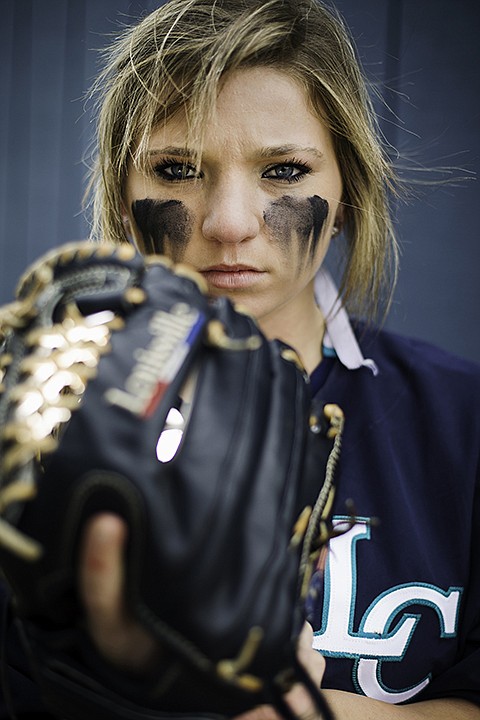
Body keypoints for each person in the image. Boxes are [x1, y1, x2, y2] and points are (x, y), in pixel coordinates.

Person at [1, 0, 479, 718]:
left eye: (284, 170)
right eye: (178, 169)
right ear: (126, 193)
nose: (227, 223)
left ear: (346, 187)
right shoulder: (37, 419)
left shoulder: (464, 422)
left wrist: (273, 707)